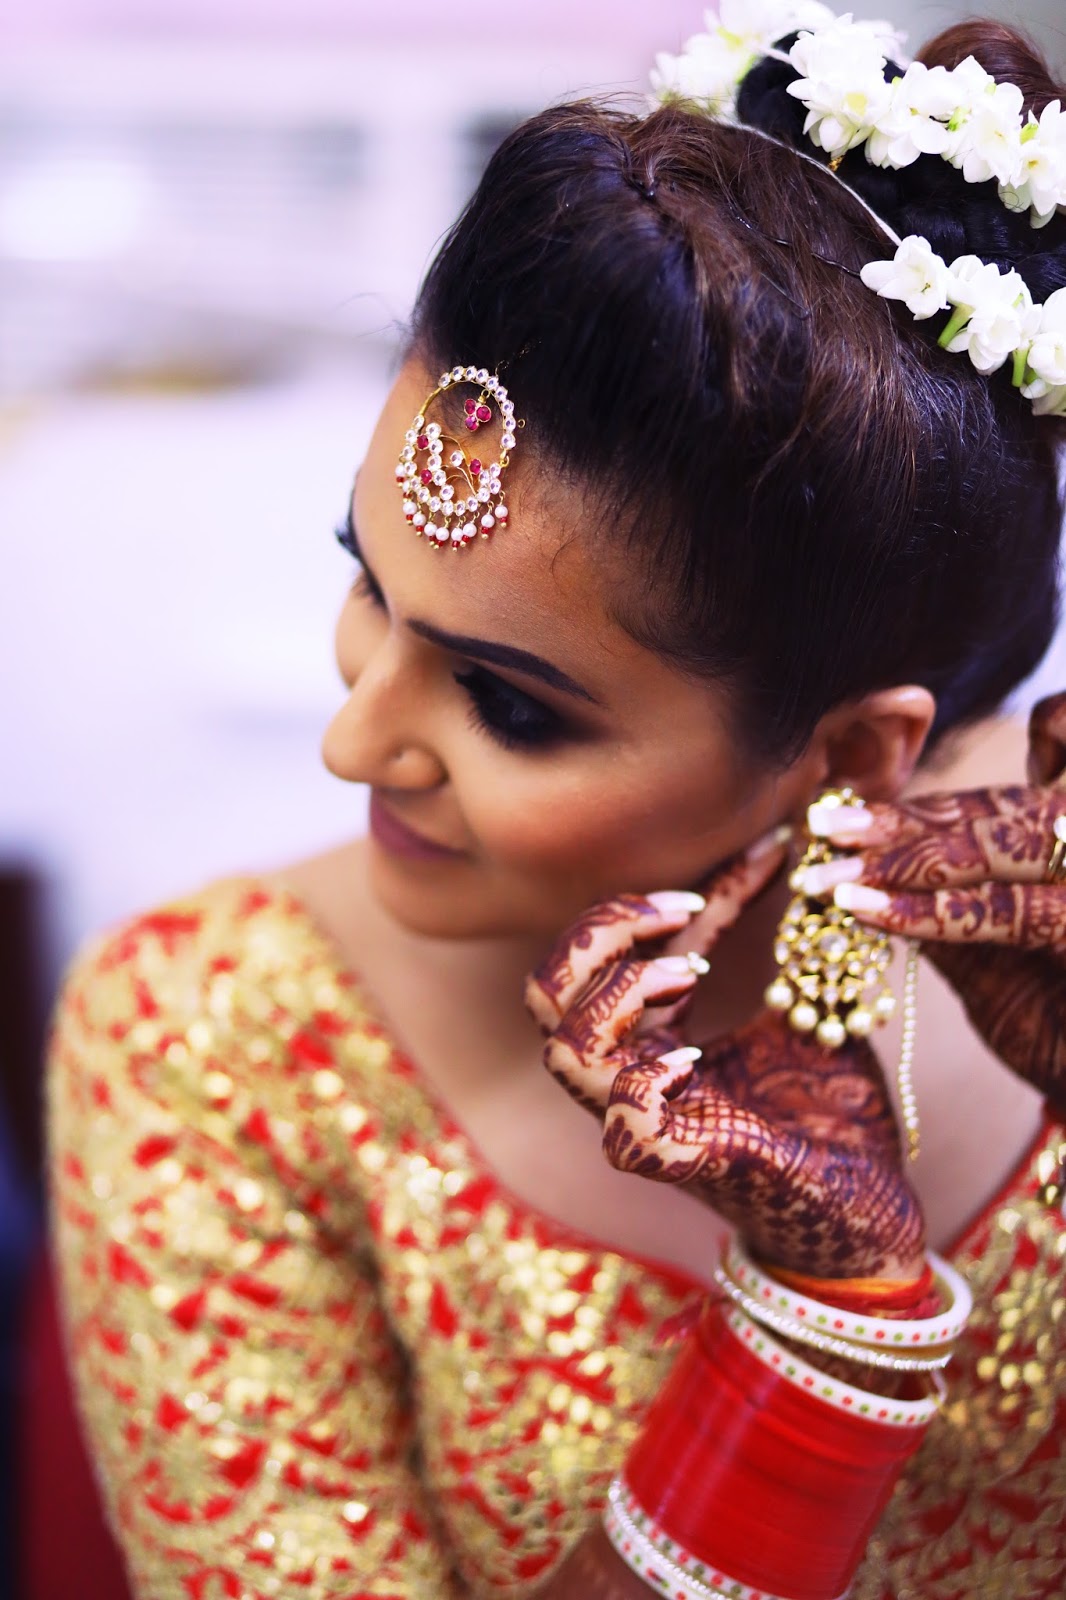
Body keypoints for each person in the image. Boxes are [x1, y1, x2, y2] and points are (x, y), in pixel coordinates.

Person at [45, 6, 1066, 1597]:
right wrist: (821, 1335)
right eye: (367, 586)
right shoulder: (213, 1038)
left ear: (854, 756)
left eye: (509, 704)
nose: (352, 743)